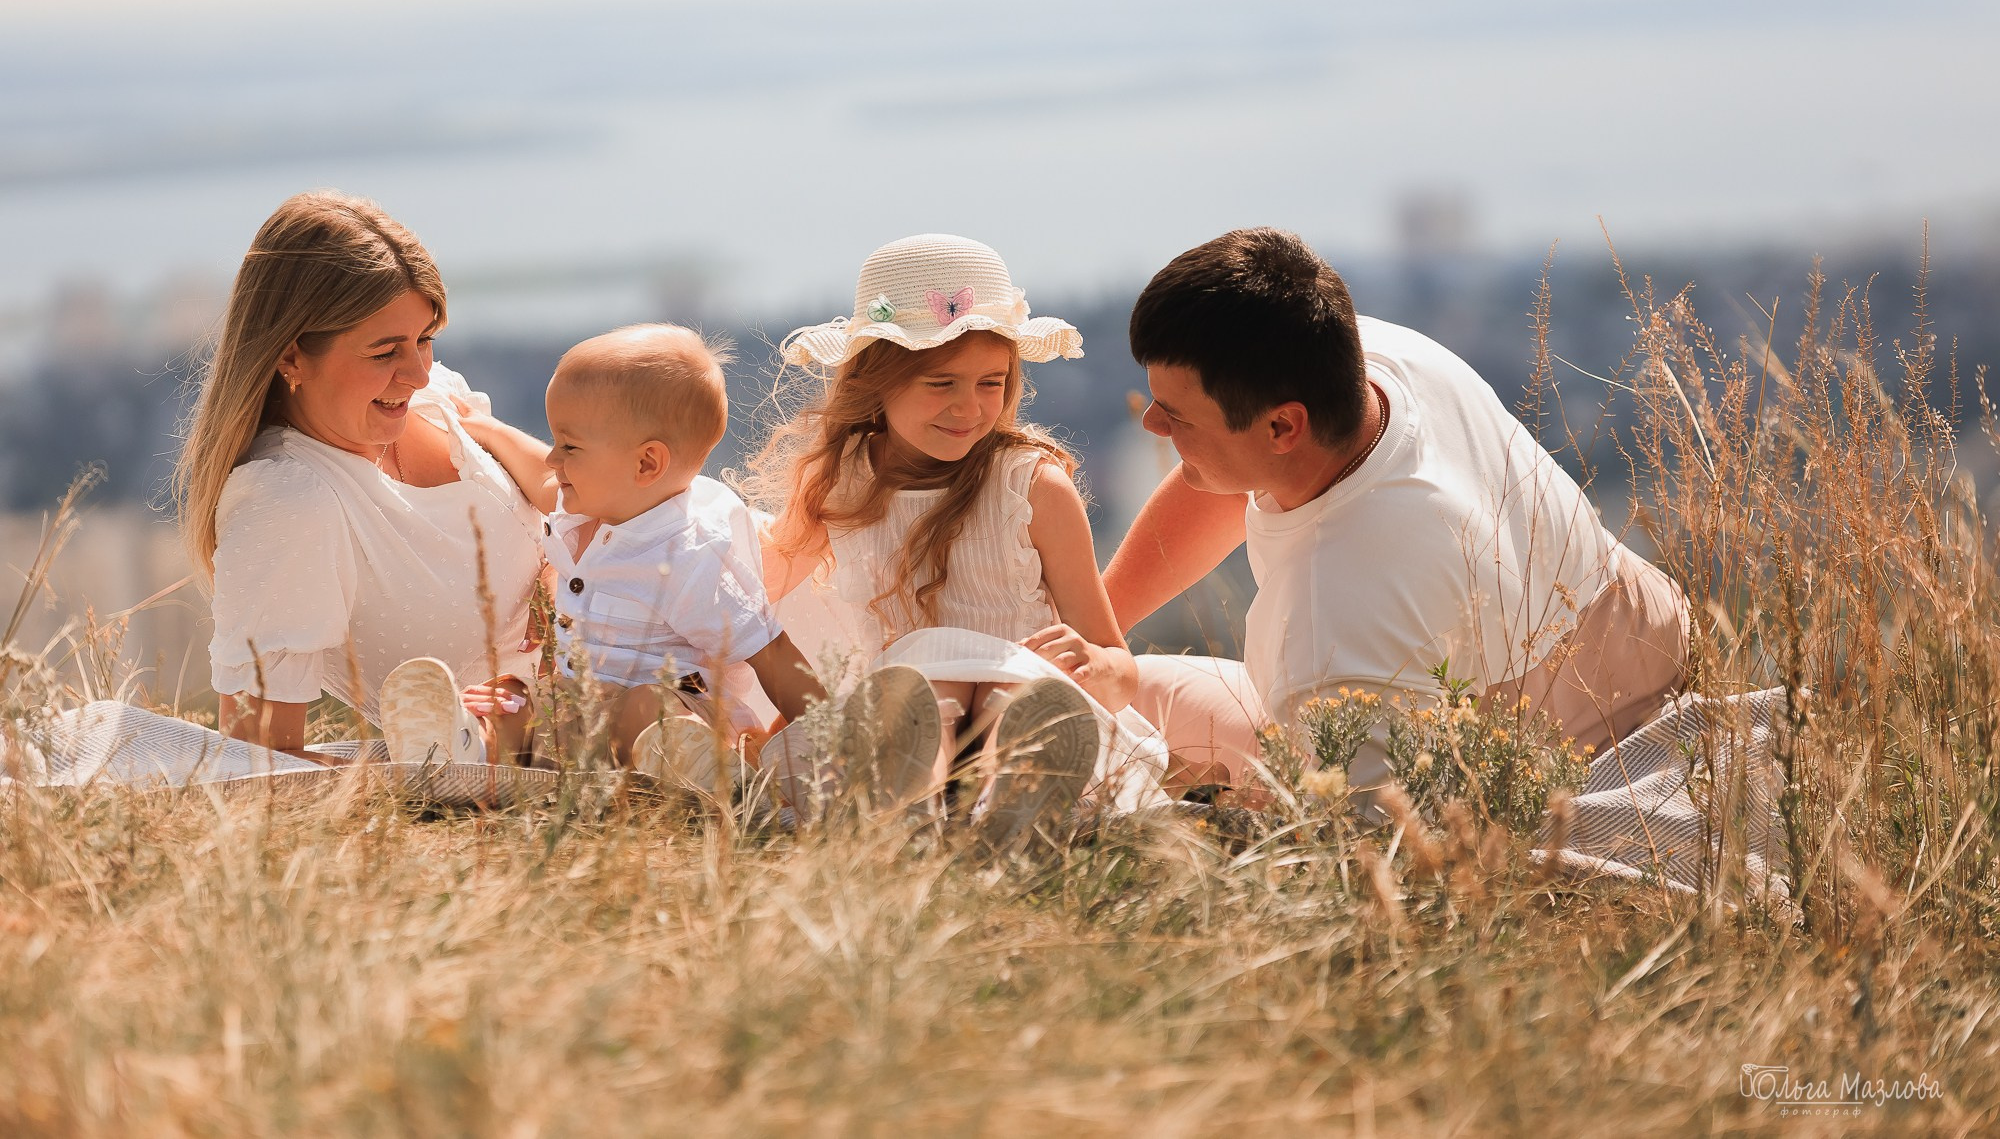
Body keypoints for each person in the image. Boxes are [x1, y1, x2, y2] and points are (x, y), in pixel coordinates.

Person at [1104, 227, 1689, 783]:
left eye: (1176, 416)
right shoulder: (1351, 355)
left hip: (1540, 760)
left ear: (1284, 425)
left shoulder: (1331, 611)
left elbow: (1370, 834)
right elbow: (1232, 472)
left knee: (1134, 698)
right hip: (1651, 642)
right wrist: (1101, 621)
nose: (1152, 423)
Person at [746, 234, 1181, 841]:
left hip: (1023, 708)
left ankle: (1016, 801)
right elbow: (755, 598)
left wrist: (1093, 667)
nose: (969, 408)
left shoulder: (1031, 488)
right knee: (922, 683)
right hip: (909, 723)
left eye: (990, 382)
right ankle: (913, 809)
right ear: (879, 381)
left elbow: (1118, 663)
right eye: (940, 382)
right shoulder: (841, 486)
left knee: (1014, 684)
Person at [177, 191, 548, 760]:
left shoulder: (438, 399)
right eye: (384, 352)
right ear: (292, 356)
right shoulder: (289, 501)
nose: (420, 374)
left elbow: (580, 488)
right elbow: (260, 763)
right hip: (571, 748)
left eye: (425, 339)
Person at [458, 324, 829, 787]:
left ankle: (708, 768)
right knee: (514, 698)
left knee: (644, 709)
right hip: (585, 708)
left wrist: (828, 738)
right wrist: (490, 431)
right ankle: (470, 745)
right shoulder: (592, 506)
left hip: (683, 705)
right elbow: (538, 471)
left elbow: (771, 653)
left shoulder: (691, 554)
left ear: (646, 464)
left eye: (569, 446)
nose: (555, 459)